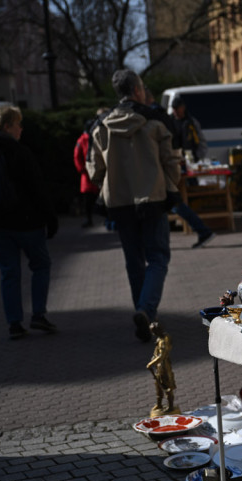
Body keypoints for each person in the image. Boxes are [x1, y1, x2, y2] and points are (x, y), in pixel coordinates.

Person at [88, 70, 181, 343]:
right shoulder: (155, 120)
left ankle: (144, 313)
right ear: (138, 90)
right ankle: (146, 311)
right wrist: (169, 186)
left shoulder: (102, 124)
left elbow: (94, 168)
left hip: (119, 202)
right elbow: (171, 160)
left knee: (133, 261)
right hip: (153, 198)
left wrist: (109, 185)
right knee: (158, 257)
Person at [0, 105, 59, 340]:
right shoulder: (19, 152)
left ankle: (14, 322)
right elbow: (37, 189)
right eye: (17, 124)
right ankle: (38, 314)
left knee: (9, 273)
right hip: (26, 222)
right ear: (7, 126)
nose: (21, 128)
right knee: (41, 265)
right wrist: (50, 219)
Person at [168, 96, 217, 250]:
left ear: (183, 108)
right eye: (174, 109)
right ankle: (201, 229)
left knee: (178, 202)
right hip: (174, 165)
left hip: (187, 164)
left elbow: (201, 143)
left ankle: (202, 229)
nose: (176, 112)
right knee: (175, 203)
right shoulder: (169, 122)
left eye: (178, 109)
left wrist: (195, 160)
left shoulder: (190, 122)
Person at [74, 108, 107, 228]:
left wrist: (82, 169)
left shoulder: (82, 139)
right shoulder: (95, 136)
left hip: (87, 175)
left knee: (89, 201)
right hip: (95, 173)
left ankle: (90, 219)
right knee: (102, 198)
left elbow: (77, 156)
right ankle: (105, 219)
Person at [146, 321, 178, 417]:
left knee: (167, 386)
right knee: (158, 385)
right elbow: (156, 353)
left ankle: (171, 406)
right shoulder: (159, 338)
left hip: (164, 366)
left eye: (154, 331)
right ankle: (159, 404)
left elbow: (162, 355)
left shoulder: (164, 340)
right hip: (158, 367)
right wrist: (153, 360)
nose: (153, 334)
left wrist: (150, 364)